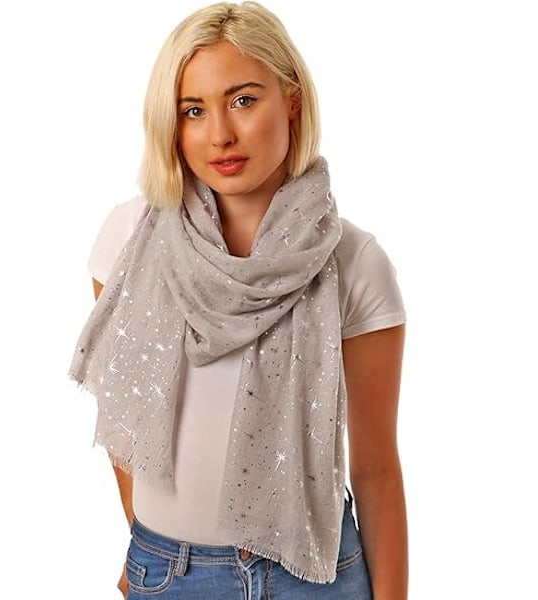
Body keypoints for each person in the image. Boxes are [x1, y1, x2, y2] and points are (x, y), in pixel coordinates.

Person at [69, 2, 408, 598]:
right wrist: (147, 548)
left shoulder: (354, 262)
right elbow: (127, 424)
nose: (220, 134)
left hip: (314, 577)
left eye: (244, 100)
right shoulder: (129, 240)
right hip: (170, 573)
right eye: (193, 110)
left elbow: (376, 466)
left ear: (292, 99)